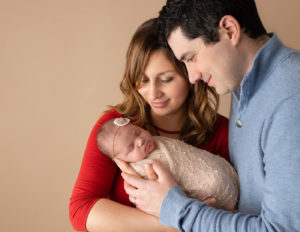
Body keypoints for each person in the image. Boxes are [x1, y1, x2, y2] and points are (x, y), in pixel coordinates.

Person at [120, 0, 300, 231]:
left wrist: (172, 207)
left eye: (191, 57)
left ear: (229, 30)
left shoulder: (290, 97)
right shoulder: (244, 88)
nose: (192, 76)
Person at [69, 17, 230, 232]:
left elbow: (239, 213)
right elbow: (81, 209)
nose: (153, 93)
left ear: (189, 73)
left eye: (166, 79)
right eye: (143, 80)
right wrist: (180, 221)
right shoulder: (115, 129)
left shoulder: (220, 132)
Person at [97, 117, 239, 210]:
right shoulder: (140, 170)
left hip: (225, 172)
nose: (140, 141)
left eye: (137, 132)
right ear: (121, 160)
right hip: (210, 201)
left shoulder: (155, 140)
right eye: (130, 147)